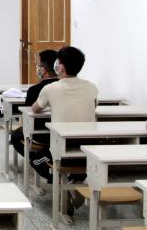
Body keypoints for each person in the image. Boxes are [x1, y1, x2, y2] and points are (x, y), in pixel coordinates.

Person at [28, 46, 99, 186]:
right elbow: (94, 106)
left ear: (60, 67)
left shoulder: (50, 88)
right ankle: (75, 179)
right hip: (89, 146)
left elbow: (35, 109)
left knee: (35, 160)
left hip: (62, 146)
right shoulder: (92, 87)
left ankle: (63, 181)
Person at [10, 49, 59, 157]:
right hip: (61, 132)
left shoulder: (35, 90)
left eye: (37, 64)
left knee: (15, 135)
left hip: (40, 136)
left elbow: (27, 114)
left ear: (43, 68)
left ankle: (34, 158)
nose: (36, 67)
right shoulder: (64, 86)